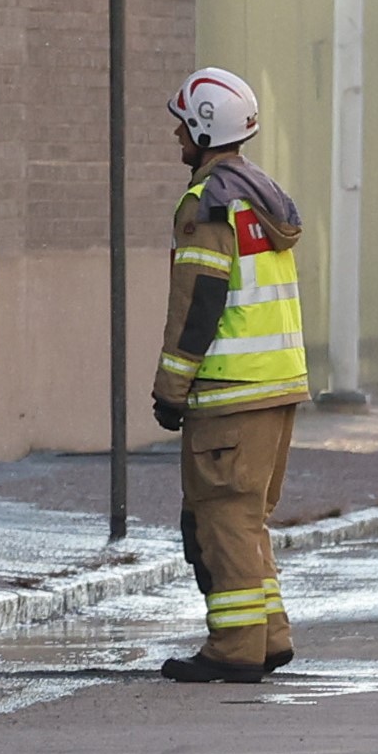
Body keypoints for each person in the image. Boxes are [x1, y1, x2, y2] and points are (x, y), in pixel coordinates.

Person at [152, 66, 306, 681]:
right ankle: (268, 635)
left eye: (181, 126)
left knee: (220, 519)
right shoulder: (262, 195)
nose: (176, 138)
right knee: (248, 518)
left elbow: (198, 306)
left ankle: (235, 648)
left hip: (230, 394)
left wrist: (170, 389)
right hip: (276, 387)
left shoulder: (207, 204)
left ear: (202, 128)